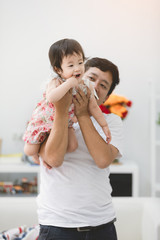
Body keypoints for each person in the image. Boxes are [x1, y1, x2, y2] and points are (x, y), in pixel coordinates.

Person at [37, 57, 123, 240]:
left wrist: (83, 113)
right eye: (91, 78)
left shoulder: (112, 122)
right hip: (57, 225)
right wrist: (62, 111)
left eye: (104, 85)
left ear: (106, 97)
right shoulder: (49, 113)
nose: (95, 86)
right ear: (77, 76)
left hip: (102, 225)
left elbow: (103, 160)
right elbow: (52, 159)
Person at [23, 39, 111, 163]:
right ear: (58, 69)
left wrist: (104, 125)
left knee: (72, 146)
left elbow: (94, 107)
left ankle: (49, 151)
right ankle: (41, 151)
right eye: (71, 65)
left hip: (65, 122)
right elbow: (52, 97)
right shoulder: (56, 81)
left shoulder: (86, 85)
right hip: (44, 120)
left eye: (80, 62)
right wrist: (68, 84)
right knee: (29, 150)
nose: (77, 69)